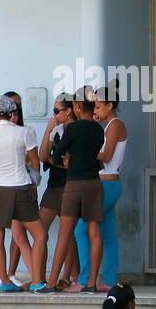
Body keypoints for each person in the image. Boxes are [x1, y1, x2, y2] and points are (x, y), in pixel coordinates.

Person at [0, 95, 48, 291]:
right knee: (40, 234)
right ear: (11, 113)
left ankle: (5, 283)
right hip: (21, 187)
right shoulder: (25, 132)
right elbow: (35, 162)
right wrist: (34, 182)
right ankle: (37, 281)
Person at [45, 93, 105, 293]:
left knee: (65, 233)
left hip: (74, 182)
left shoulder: (72, 128)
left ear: (78, 106)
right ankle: (91, 284)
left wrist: (67, 158)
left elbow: (57, 154)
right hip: (94, 183)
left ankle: (52, 283)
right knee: (94, 232)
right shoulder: (99, 129)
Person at [75, 88, 128, 291]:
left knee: (81, 229)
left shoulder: (115, 125)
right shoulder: (108, 126)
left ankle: (85, 279)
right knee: (107, 234)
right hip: (107, 183)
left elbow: (106, 156)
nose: (95, 110)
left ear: (109, 106)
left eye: (98, 106)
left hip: (106, 184)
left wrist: (85, 151)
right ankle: (108, 280)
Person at [36, 93, 79, 289]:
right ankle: (42, 276)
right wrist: (48, 130)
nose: (54, 114)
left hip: (69, 186)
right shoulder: (57, 130)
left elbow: (70, 164)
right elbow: (42, 156)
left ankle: (69, 276)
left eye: (57, 110)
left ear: (68, 111)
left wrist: (54, 161)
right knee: (40, 230)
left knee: (67, 234)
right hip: (53, 186)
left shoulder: (76, 131)